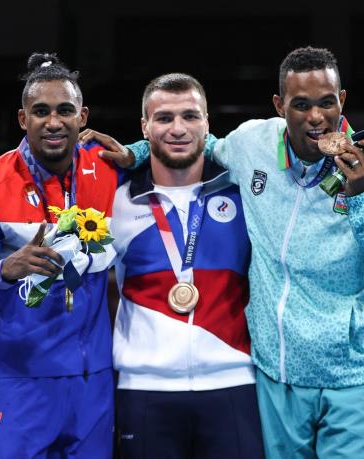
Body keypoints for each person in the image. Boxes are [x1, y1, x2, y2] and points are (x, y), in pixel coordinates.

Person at [87, 46, 364, 458]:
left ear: (342, 100)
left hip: (354, 377)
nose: (316, 117)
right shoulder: (252, 144)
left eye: (326, 103)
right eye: (301, 105)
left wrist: (363, 199)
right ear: (280, 106)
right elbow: (193, 140)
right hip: (276, 382)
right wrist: (136, 152)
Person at [0, 53, 123, 459]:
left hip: (92, 384)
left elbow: (172, 153)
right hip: (19, 384)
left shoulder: (110, 172)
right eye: (41, 111)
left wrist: (138, 152)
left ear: (83, 117)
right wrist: (5, 270)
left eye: (65, 111)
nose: (53, 122)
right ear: (23, 119)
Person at [107, 73, 264, 458]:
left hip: (233, 383)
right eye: (164, 118)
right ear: (144, 127)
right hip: (144, 390)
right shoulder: (117, 202)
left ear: (207, 125)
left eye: (190, 116)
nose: (178, 129)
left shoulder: (244, 195)